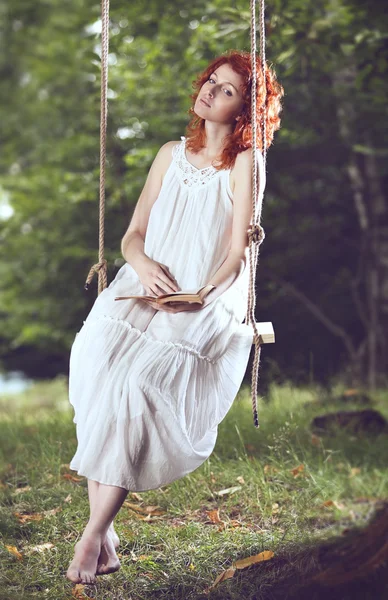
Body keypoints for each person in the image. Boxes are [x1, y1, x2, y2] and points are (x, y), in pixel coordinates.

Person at [66, 49, 283, 584]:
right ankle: (106, 534)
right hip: (142, 285)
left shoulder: (245, 164)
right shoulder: (168, 153)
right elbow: (132, 235)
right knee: (95, 362)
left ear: (244, 111)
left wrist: (201, 294)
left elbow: (237, 254)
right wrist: (140, 264)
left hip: (205, 298)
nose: (211, 90)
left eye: (227, 89)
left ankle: (93, 534)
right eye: (212, 80)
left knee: (138, 383)